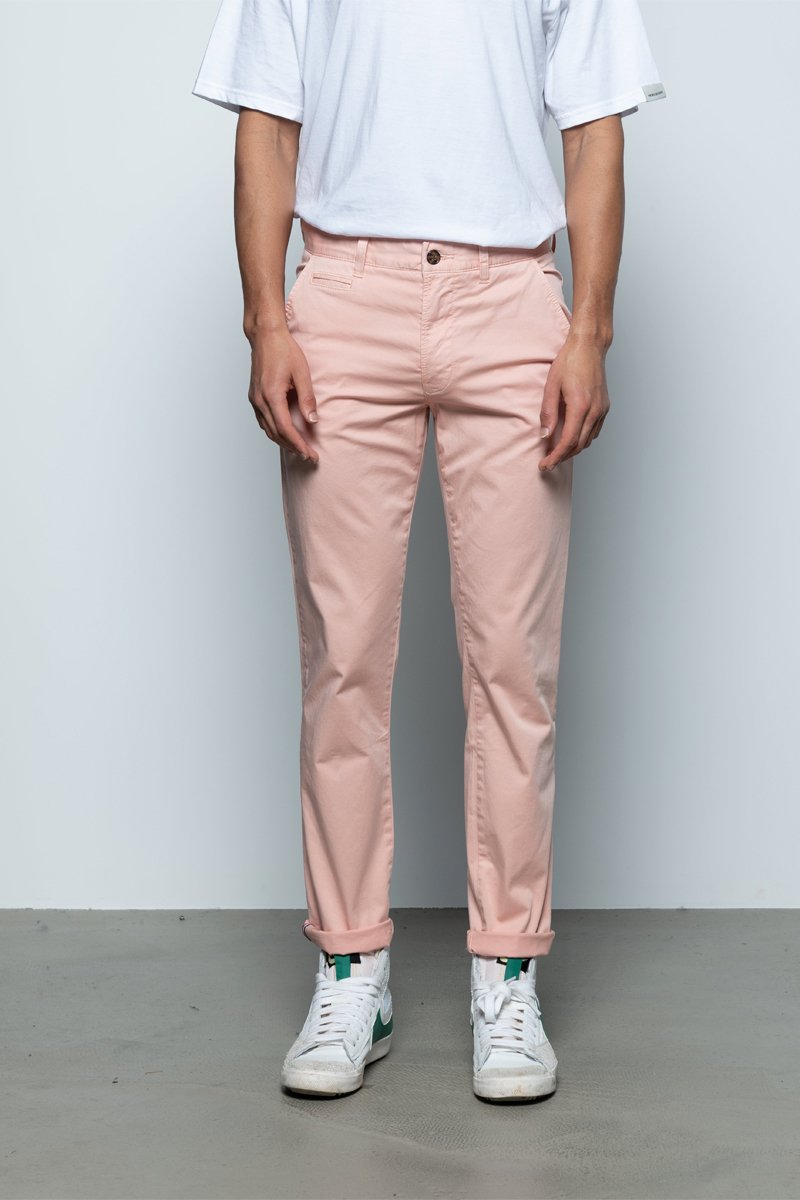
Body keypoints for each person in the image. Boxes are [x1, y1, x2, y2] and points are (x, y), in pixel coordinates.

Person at [192, 0, 665, 1103]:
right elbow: (265, 121)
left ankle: (509, 974)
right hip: (344, 295)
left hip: (510, 299)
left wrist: (588, 330)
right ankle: (349, 969)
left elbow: (595, 127)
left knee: (512, 667)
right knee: (343, 661)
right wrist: (267, 321)